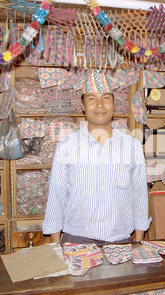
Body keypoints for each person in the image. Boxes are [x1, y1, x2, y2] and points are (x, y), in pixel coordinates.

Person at [42, 70, 151, 245]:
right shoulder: (66, 146)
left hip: (120, 240)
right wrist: (56, 246)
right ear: (83, 106)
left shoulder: (132, 147)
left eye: (106, 98)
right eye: (92, 99)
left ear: (114, 104)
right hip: (75, 240)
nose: (100, 105)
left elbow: (139, 194)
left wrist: (138, 240)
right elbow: (56, 196)